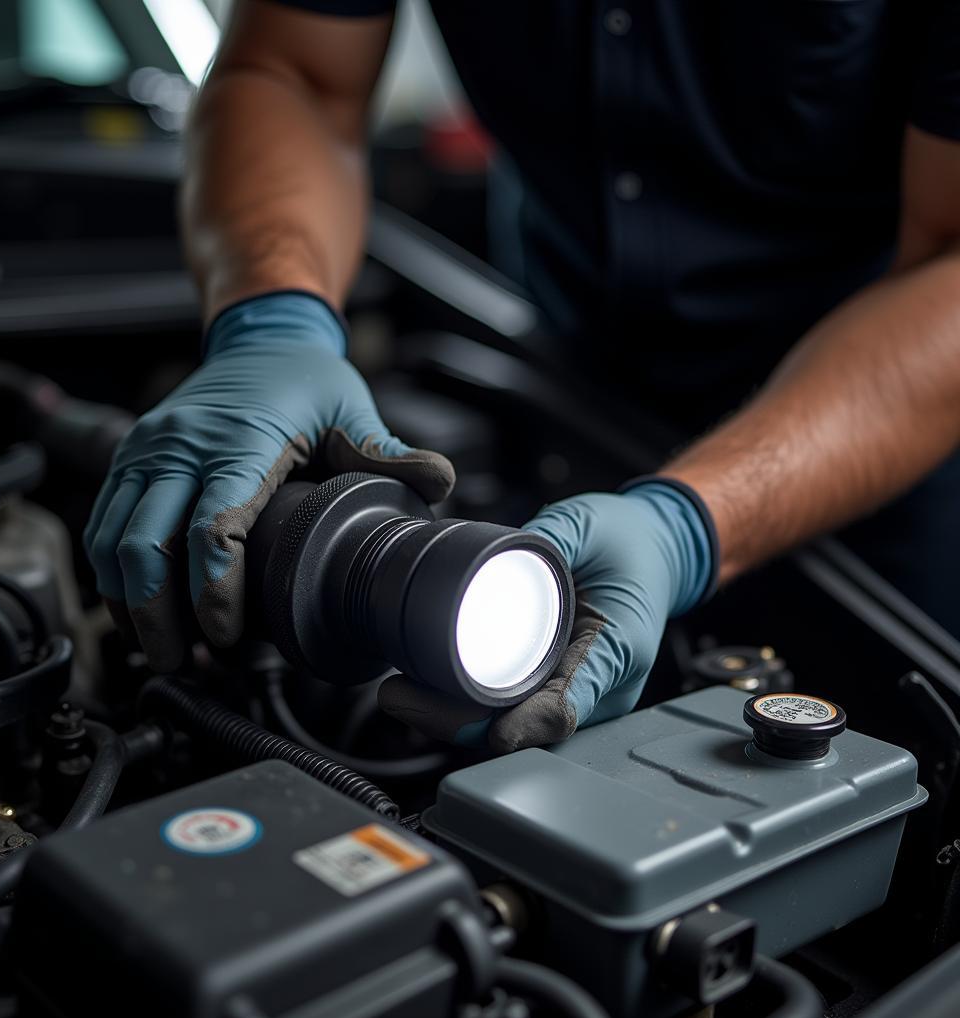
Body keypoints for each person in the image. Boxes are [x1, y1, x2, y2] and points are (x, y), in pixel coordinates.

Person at [85, 1, 960, 752]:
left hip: (873, 433)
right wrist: (273, 321)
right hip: (567, 376)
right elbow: (296, 72)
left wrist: (689, 527)